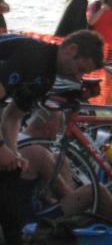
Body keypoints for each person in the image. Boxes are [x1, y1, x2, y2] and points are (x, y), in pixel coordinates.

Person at [0, 109, 112, 243]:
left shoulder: (14, 141)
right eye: (55, 135)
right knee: (96, 191)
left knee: (60, 159)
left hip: (16, 217)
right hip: (31, 223)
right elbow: (66, 194)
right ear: (47, 130)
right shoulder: (38, 152)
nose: (55, 140)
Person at [0, 30, 104, 172]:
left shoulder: (46, 78)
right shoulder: (32, 56)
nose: (78, 77)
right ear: (71, 49)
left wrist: (14, 155)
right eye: (80, 69)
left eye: (83, 73)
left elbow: (12, 118)